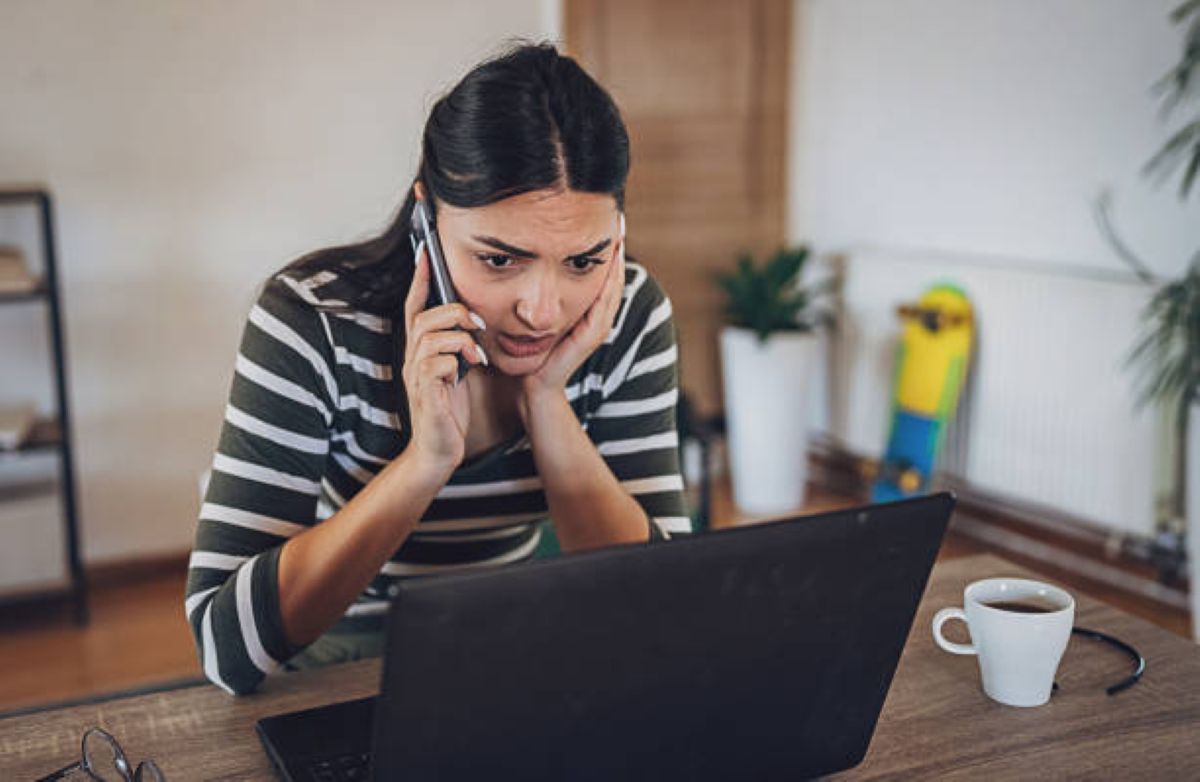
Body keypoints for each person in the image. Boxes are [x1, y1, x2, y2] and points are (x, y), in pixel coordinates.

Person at [185, 42, 691, 695]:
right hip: (339, 659)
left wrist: (545, 400)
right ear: (427, 217)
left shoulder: (628, 315)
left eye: (583, 261)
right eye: (500, 260)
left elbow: (662, 607)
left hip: (512, 641)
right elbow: (225, 649)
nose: (543, 311)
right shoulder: (313, 319)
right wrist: (425, 462)